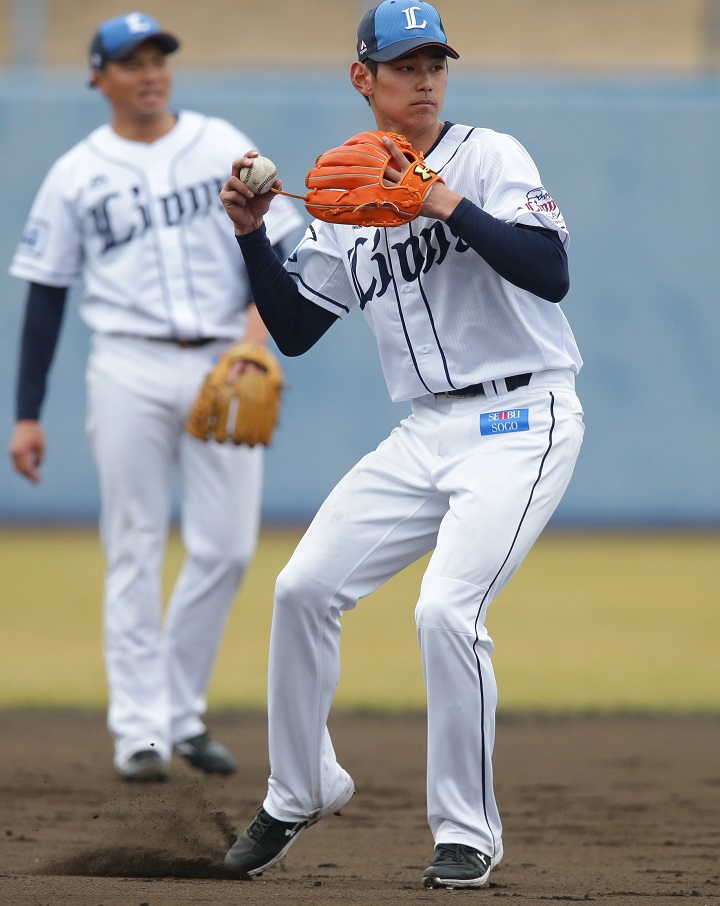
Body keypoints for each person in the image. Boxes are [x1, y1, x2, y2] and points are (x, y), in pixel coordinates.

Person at [219, 0, 584, 889]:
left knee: (444, 612)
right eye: (405, 65)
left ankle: (467, 833)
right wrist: (251, 235)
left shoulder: (489, 156)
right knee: (303, 588)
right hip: (424, 431)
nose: (424, 79)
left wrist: (440, 199)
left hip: (519, 419)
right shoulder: (344, 186)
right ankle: (299, 789)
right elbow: (299, 327)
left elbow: (550, 272)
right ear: (364, 78)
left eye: (436, 64)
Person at [7, 12, 303, 782]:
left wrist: (251, 337)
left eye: (158, 57)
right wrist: (27, 413)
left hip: (222, 357)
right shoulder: (76, 172)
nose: (150, 72)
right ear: (98, 77)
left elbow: (284, 240)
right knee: (134, 542)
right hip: (127, 366)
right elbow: (45, 294)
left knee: (228, 546)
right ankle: (140, 730)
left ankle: (178, 710)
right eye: (131, 60)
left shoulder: (217, 142)